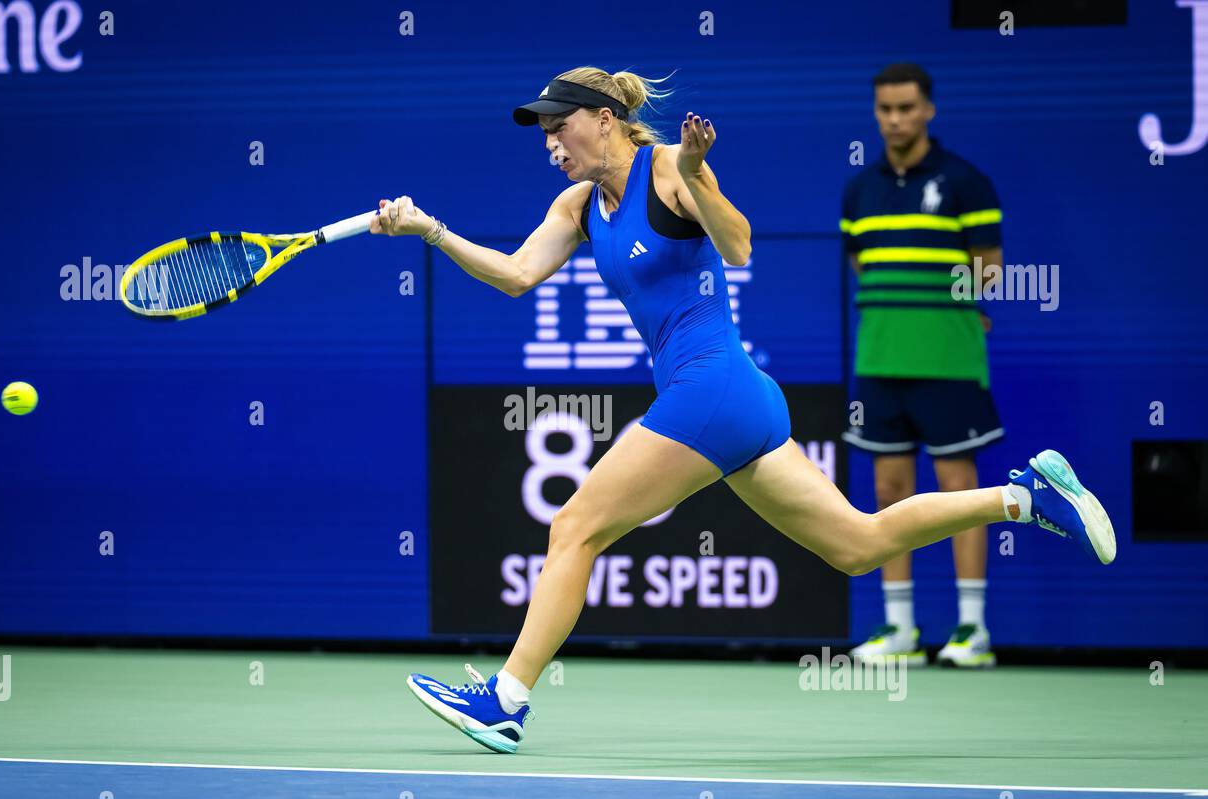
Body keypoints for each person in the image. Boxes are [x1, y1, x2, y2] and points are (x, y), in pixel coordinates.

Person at [371, 67, 1115, 754]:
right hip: (738, 398)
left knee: (574, 526)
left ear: (603, 120)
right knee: (858, 547)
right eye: (542, 133)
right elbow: (517, 275)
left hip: (713, 387)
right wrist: (431, 231)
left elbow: (738, 244)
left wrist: (695, 175)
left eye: (558, 127)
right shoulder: (576, 205)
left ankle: (506, 699)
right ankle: (1026, 498)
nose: (550, 143)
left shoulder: (666, 169)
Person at [841, 62, 1007, 668]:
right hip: (881, 359)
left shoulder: (966, 182)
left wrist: (948, 311)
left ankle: (972, 629)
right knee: (888, 488)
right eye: (885, 108)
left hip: (948, 360)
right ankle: (901, 629)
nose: (895, 119)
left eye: (906, 108)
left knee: (960, 489)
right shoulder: (859, 190)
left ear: (928, 109)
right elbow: (864, 266)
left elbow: (989, 268)